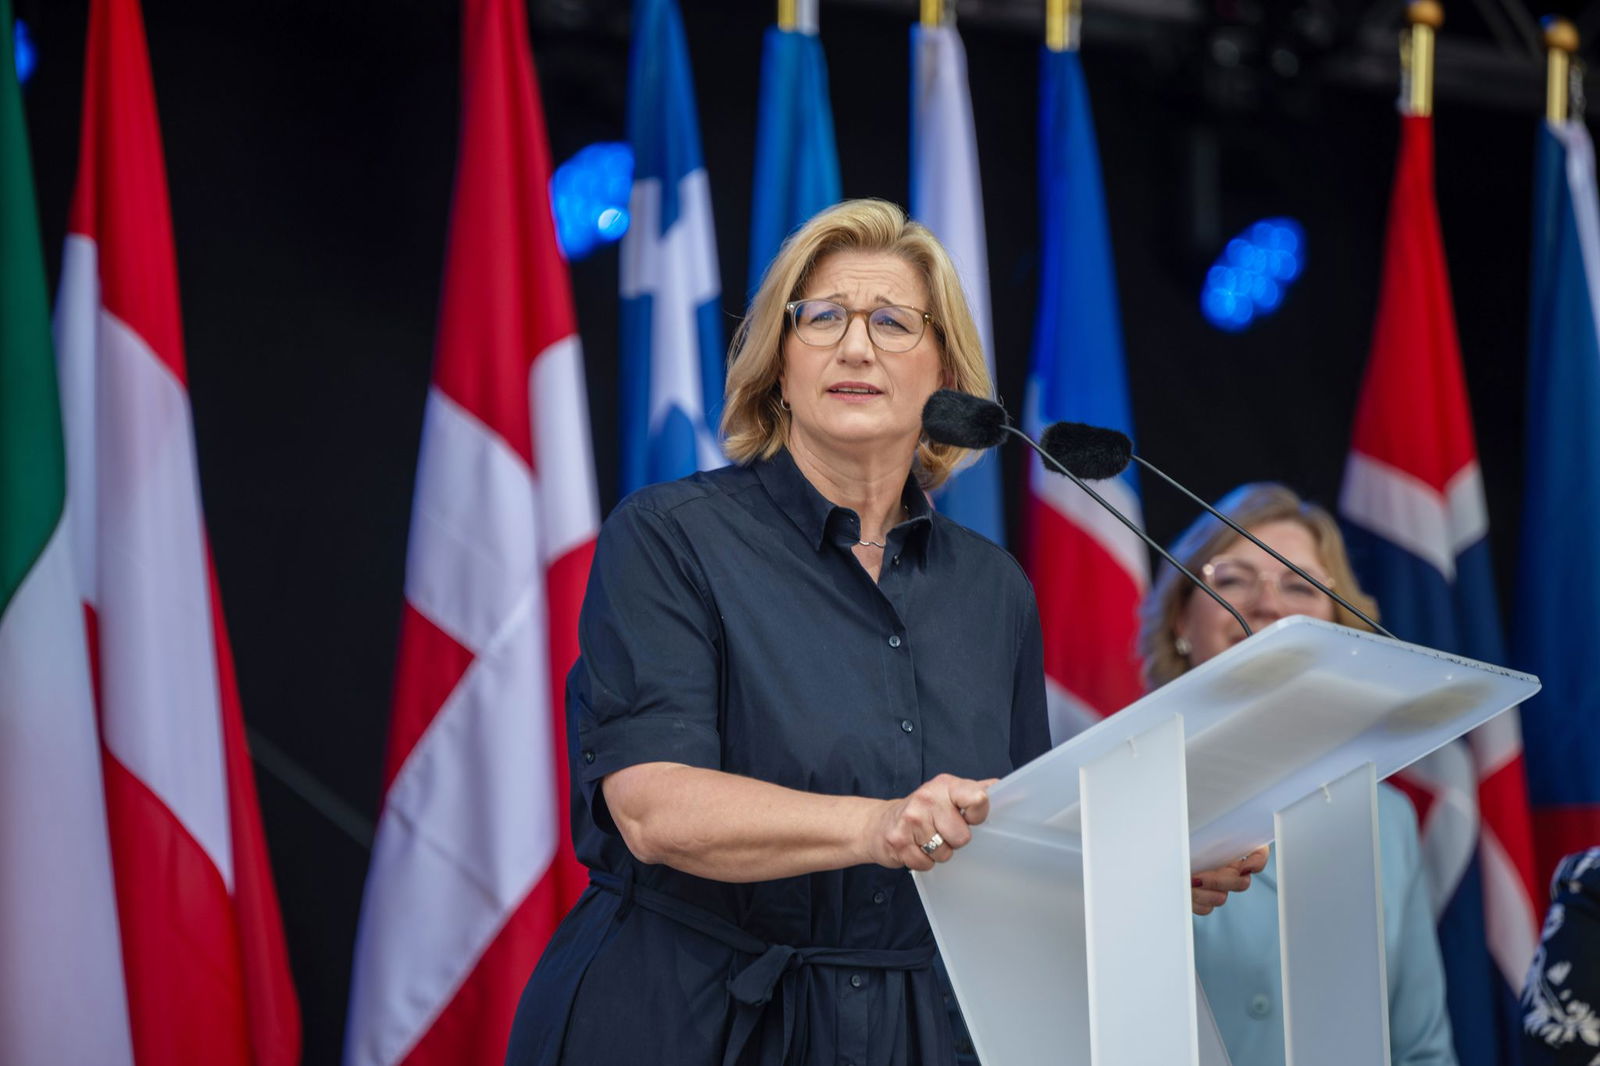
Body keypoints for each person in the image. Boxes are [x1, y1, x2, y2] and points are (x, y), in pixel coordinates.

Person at [505, 199, 1258, 1066]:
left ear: (946, 377)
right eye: (822, 317)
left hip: (915, 1034)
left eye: (894, 322)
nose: (855, 346)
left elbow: (1000, 839)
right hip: (687, 1020)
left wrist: (1138, 874)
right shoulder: (672, 538)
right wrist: (879, 826)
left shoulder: (993, 590)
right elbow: (652, 808)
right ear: (777, 365)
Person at [1138, 482, 1457, 1066]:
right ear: (1182, 618)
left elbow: (1420, 1050)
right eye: (1232, 577)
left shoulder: (1387, 817)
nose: (1269, 604)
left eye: (1299, 583)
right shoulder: (1115, 798)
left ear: (1339, 622)